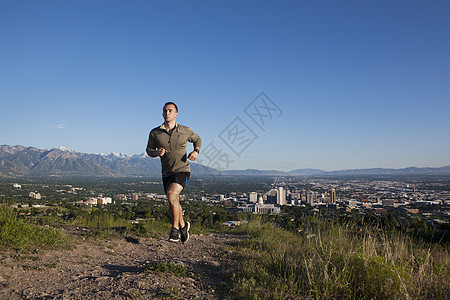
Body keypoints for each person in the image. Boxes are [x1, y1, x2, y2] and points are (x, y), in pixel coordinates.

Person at [146, 102, 201, 243]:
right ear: (162, 113)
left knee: (171, 195)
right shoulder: (155, 132)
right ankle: (184, 226)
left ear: (176, 114)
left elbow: (197, 139)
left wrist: (196, 151)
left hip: (182, 170)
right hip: (166, 172)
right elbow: (149, 151)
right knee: (173, 202)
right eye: (165, 110)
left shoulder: (185, 130)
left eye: (170, 110)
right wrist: (156, 152)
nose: (167, 113)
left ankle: (175, 230)